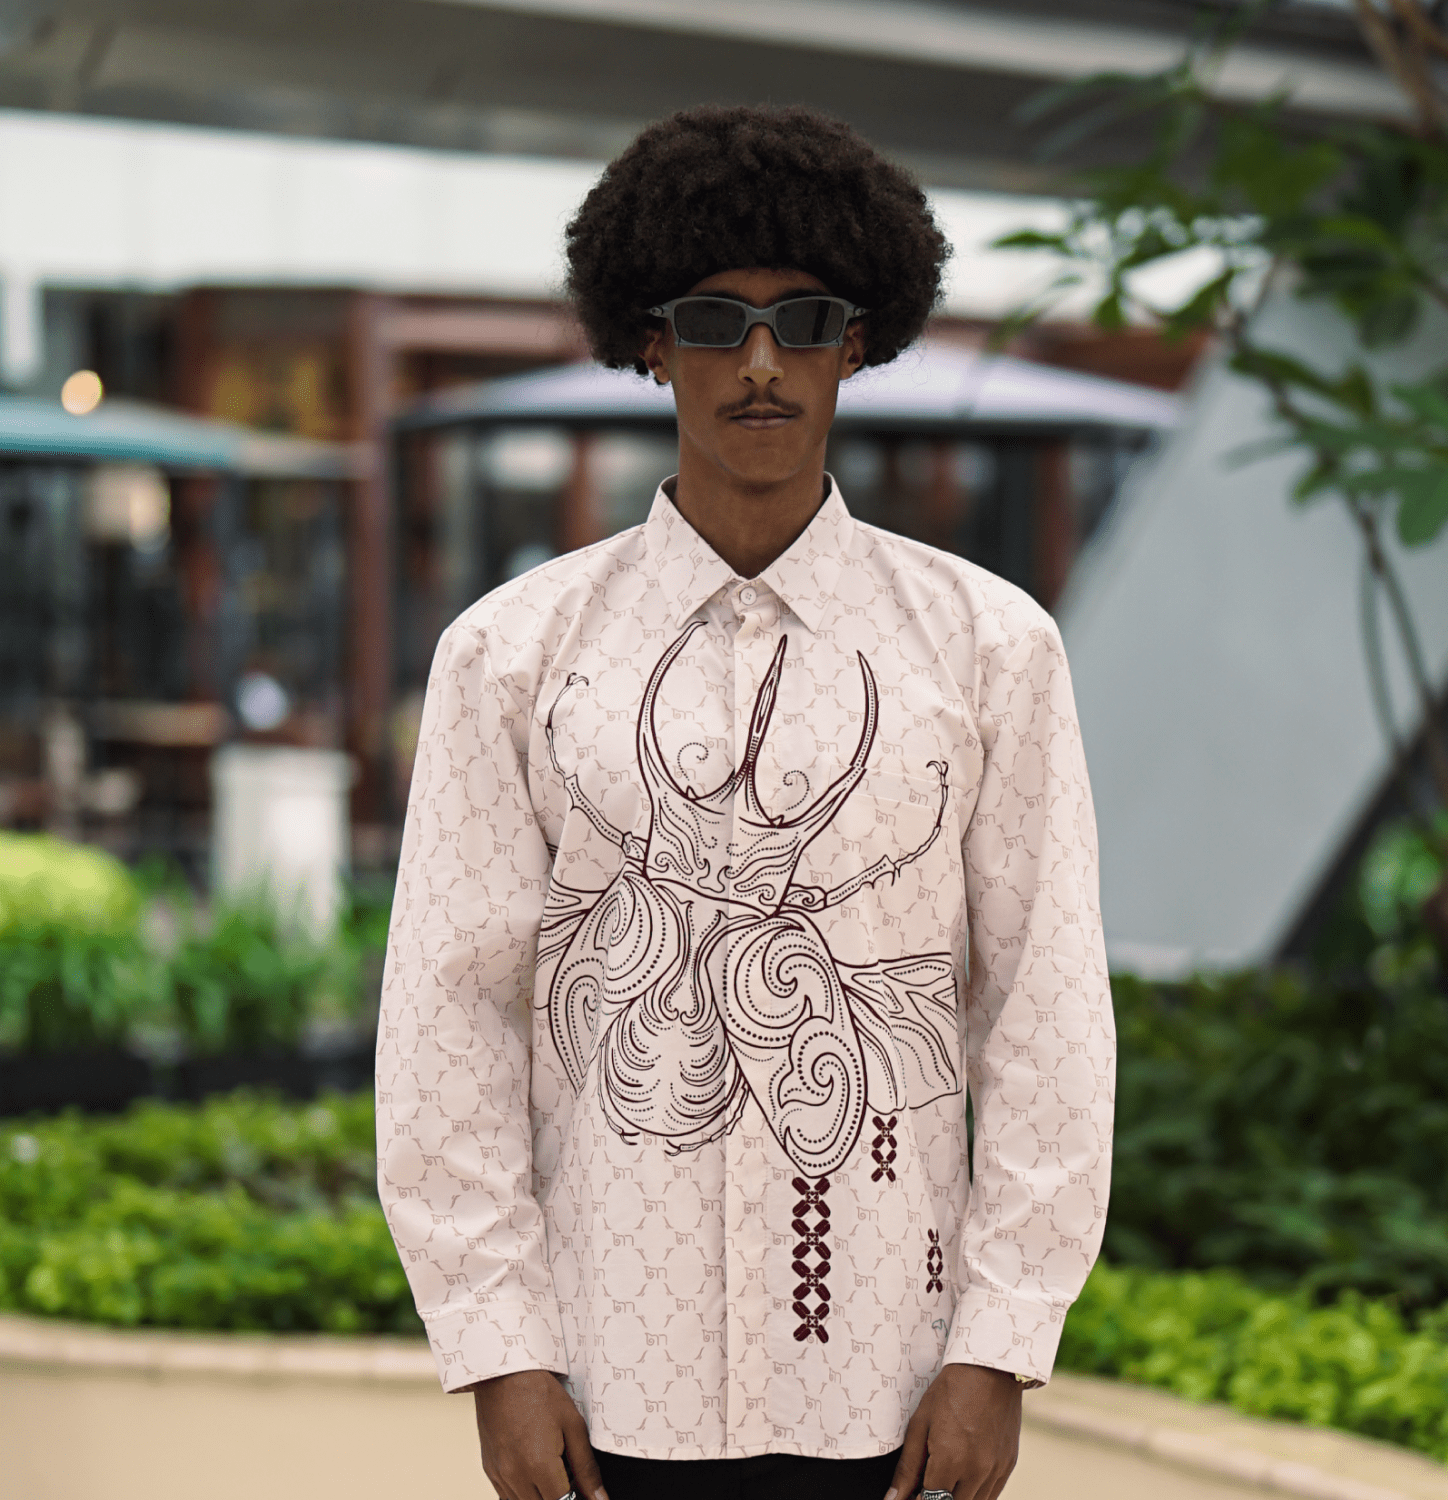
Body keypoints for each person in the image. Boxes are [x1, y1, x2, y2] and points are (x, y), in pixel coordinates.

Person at [377, 104, 1114, 1500]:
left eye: (804, 321)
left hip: (893, 1386)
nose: (761, 364)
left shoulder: (990, 651)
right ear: (653, 342)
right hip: (604, 1392)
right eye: (716, 321)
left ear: (858, 342)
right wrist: (496, 1349)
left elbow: (1045, 1006)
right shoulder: (510, 657)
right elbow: (449, 1019)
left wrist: (1003, 1343)